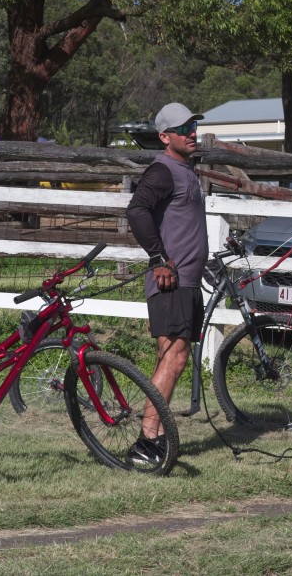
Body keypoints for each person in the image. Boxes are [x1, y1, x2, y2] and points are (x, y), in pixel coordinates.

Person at [124, 102, 208, 467]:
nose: (192, 132)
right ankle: (146, 442)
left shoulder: (185, 170)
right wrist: (159, 258)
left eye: (193, 126)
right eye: (183, 128)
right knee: (175, 356)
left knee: (168, 357)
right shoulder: (163, 171)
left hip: (186, 278)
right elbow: (136, 210)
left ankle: (153, 438)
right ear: (164, 137)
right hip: (171, 280)